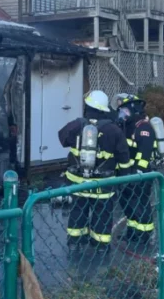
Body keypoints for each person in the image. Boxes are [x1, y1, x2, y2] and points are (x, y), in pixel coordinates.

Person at [58, 90, 131, 251]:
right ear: (103, 109)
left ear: (88, 106)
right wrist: (123, 179)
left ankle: (75, 242)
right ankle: (100, 246)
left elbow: (62, 137)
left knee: (78, 211)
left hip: (78, 183)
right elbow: (124, 159)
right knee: (102, 214)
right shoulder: (114, 130)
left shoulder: (77, 124)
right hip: (103, 185)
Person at [114, 94, 156, 245]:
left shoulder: (143, 126)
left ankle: (144, 236)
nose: (122, 114)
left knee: (140, 205)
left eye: (124, 110)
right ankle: (132, 233)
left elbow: (144, 153)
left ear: (132, 108)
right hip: (127, 174)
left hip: (140, 175)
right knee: (128, 205)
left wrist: (138, 172)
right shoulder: (127, 127)